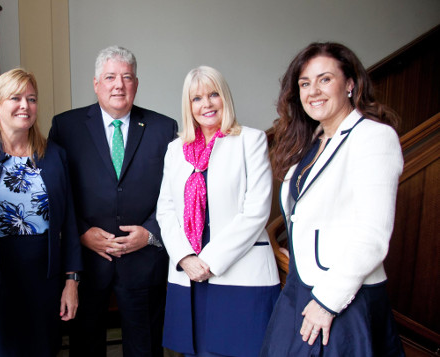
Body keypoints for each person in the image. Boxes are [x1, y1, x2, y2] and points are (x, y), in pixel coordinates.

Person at [260, 42, 405, 356]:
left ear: (350, 84)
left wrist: (327, 302)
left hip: (342, 295)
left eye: (325, 79)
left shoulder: (373, 137)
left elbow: (373, 235)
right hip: (300, 286)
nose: (314, 90)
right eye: (305, 83)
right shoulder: (311, 140)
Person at [48, 45, 177, 357]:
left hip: (144, 262)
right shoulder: (66, 127)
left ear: (136, 83)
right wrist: (81, 233)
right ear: (96, 84)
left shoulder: (164, 128)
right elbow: (56, 192)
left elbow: (175, 193)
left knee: (144, 348)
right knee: (85, 347)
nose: (119, 84)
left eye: (127, 77)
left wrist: (149, 233)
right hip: (87, 264)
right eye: (110, 77)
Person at [156, 66, 280, 357]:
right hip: (190, 272)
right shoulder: (176, 149)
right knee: (196, 352)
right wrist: (186, 258)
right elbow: (166, 209)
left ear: (225, 97)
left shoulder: (251, 140)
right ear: (189, 106)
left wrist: (209, 260)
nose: (207, 104)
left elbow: (256, 211)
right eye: (197, 98)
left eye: (213, 94)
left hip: (239, 270)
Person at [0, 68, 82, 356]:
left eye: (32, 98)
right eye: (15, 97)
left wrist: (71, 281)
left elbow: (70, 222)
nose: (25, 105)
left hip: (44, 279)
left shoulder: (54, 153)